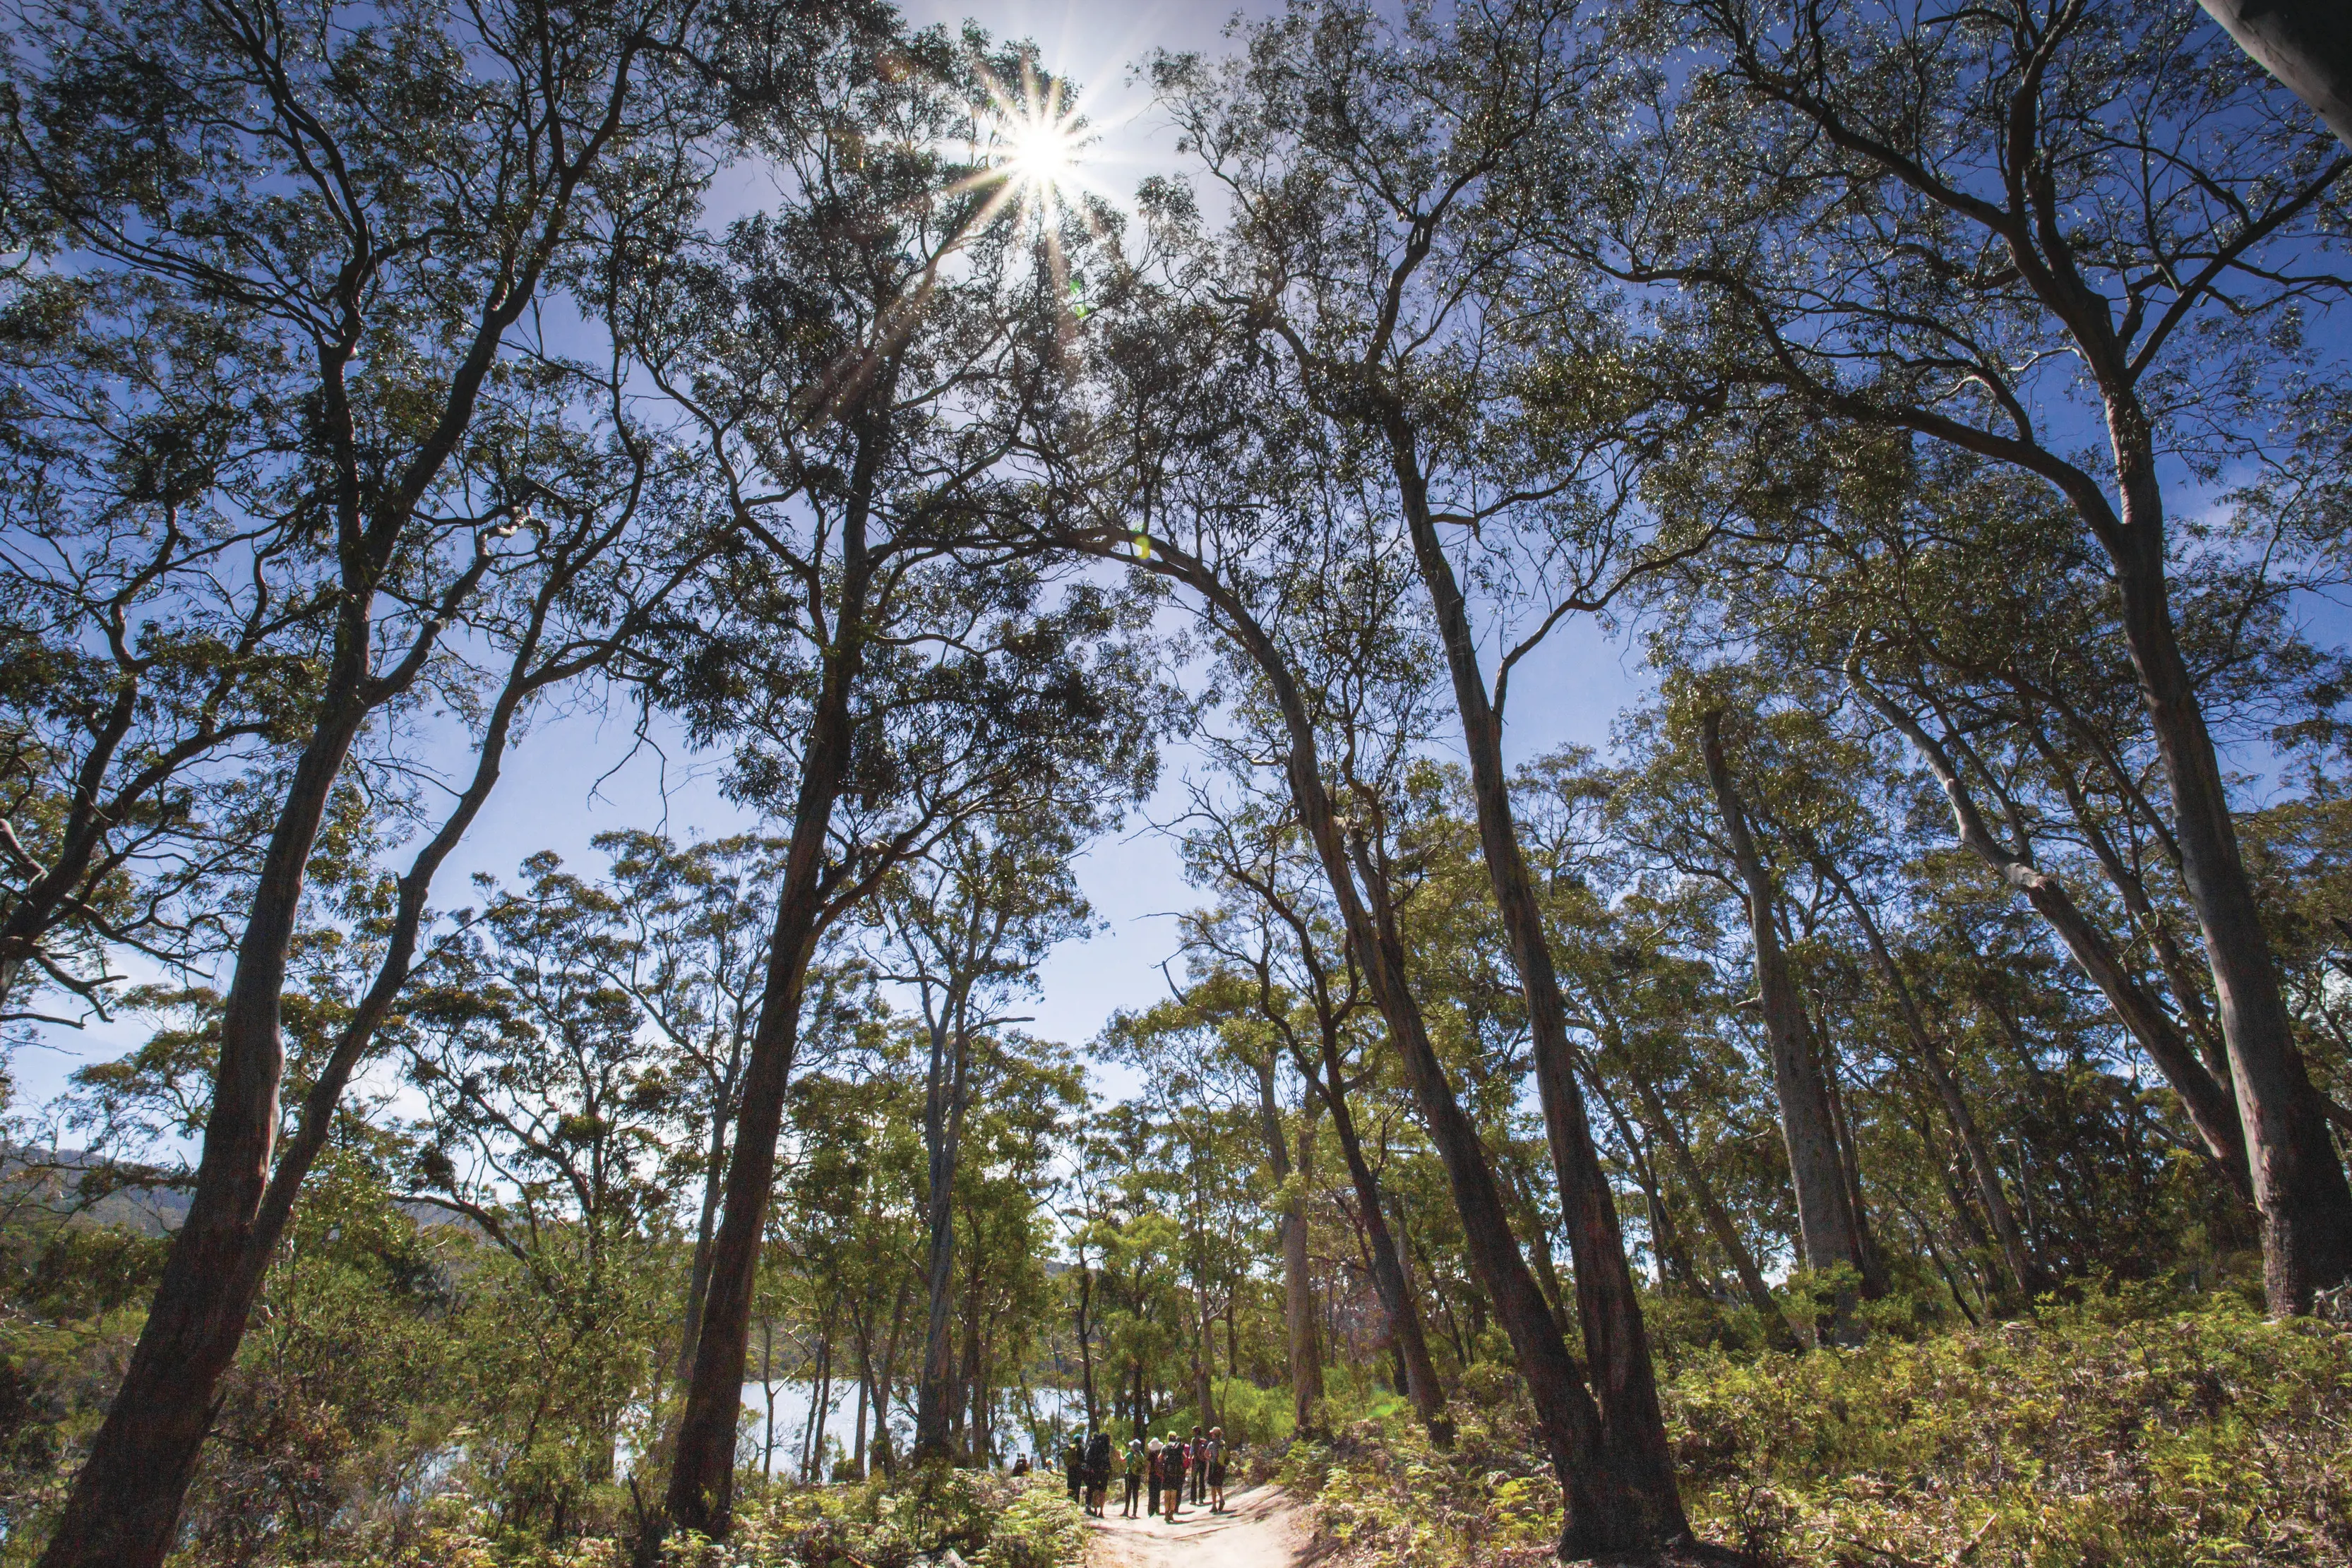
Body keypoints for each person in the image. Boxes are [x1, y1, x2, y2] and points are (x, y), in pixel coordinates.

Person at [1085, 1426, 1112, 1517]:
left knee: (1096, 1491)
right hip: (1105, 1472)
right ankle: (1102, 1512)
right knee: (1102, 1492)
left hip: (1095, 1471)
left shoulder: (1094, 1446)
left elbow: (1088, 1459)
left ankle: (1096, 1510)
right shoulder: (1106, 1447)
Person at [1123, 1435, 1145, 1518]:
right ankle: (1134, 1512)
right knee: (1136, 1494)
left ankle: (1126, 1511)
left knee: (1128, 1493)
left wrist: (1119, 1454)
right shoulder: (1141, 1455)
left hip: (1129, 1474)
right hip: (1137, 1475)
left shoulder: (1129, 1454)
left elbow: (1122, 1460)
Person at [1207, 1425, 1227, 1513]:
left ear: (1214, 1435)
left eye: (1212, 1434)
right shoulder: (1222, 1443)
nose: (1211, 1435)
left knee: (1213, 1486)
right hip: (1221, 1466)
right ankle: (1221, 1498)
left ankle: (1214, 1505)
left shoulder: (1211, 1444)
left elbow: (1205, 1454)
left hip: (1214, 1466)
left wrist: (1210, 1458)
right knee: (1219, 1484)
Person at [1145, 1435, 1164, 1519]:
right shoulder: (1159, 1454)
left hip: (1152, 1474)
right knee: (1157, 1492)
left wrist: (1147, 1474)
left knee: (1151, 1493)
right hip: (1158, 1475)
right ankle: (1157, 1509)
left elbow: (1149, 1466)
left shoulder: (1151, 1454)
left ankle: (1150, 1510)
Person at [1188, 1425, 1207, 1504]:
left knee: (1194, 1480)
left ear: (1195, 1432)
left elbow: (1191, 1452)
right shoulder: (1203, 1440)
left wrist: (1189, 1461)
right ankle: (1201, 1499)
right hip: (1203, 1461)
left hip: (1196, 1461)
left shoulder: (1194, 1440)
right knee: (1202, 1480)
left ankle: (1193, 1500)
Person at [1063, 1434, 1083, 1504]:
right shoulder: (1080, 1448)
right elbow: (1083, 1459)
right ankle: (1076, 1504)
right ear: (1080, 1440)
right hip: (1078, 1470)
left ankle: (1069, 1504)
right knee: (1077, 1488)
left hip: (1070, 1469)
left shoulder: (1068, 1447)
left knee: (1070, 1487)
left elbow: (1061, 1454)